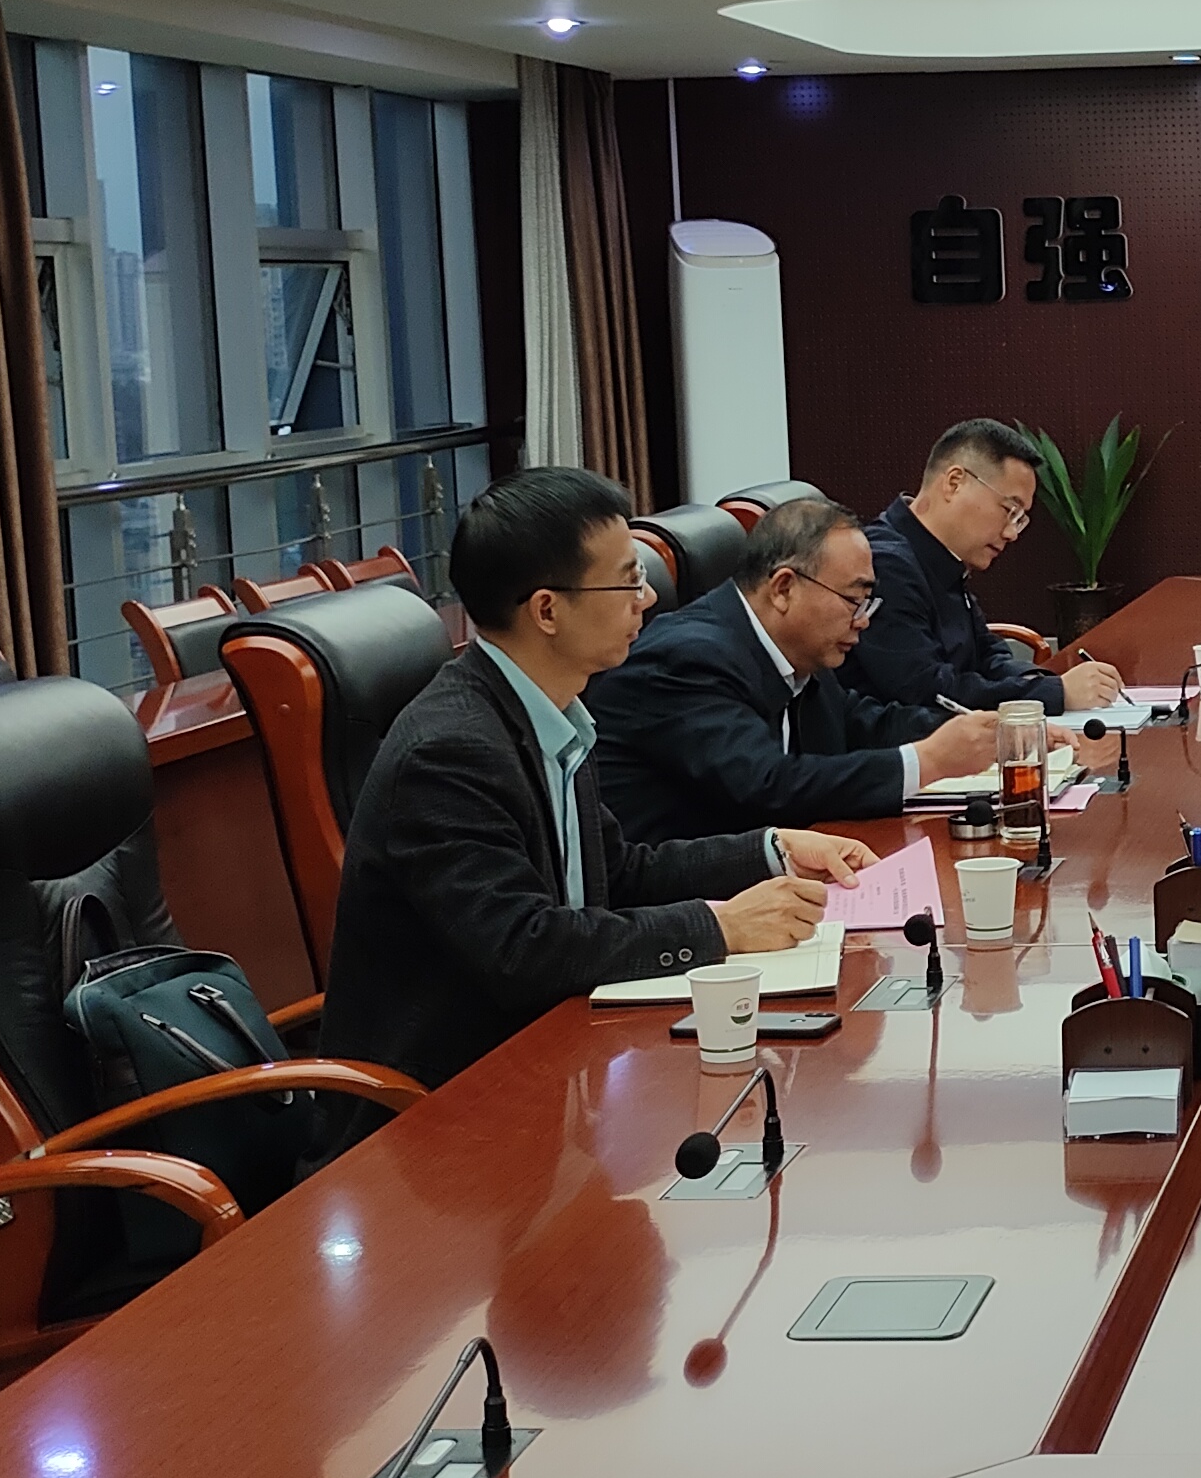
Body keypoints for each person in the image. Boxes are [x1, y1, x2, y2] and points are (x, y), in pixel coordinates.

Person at [318, 466, 860, 1093]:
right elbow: (523, 948)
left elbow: (617, 874)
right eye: (628, 581)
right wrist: (721, 928)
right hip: (449, 1102)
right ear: (547, 610)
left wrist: (772, 850)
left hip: (558, 1058)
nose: (647, 599)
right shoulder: (449, 753)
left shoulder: (552, 714)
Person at [589, 495, 1003, 840]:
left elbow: (861, 722)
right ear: (784, 588)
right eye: (853, 600)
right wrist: (927, 760)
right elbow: (766, 786)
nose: (863, 620)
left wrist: (986, 735)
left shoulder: (796, 648)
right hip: (680, 895)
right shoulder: (687, 660)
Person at [850, 416, 1125, 718]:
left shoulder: (944, 558)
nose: (1012, 533)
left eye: (1020, 518)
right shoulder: (884, 564)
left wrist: (1047, 683)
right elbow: (928, 692)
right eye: (1009, 510)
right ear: (954, 483)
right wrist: (1053, 693)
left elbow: (988, 655)